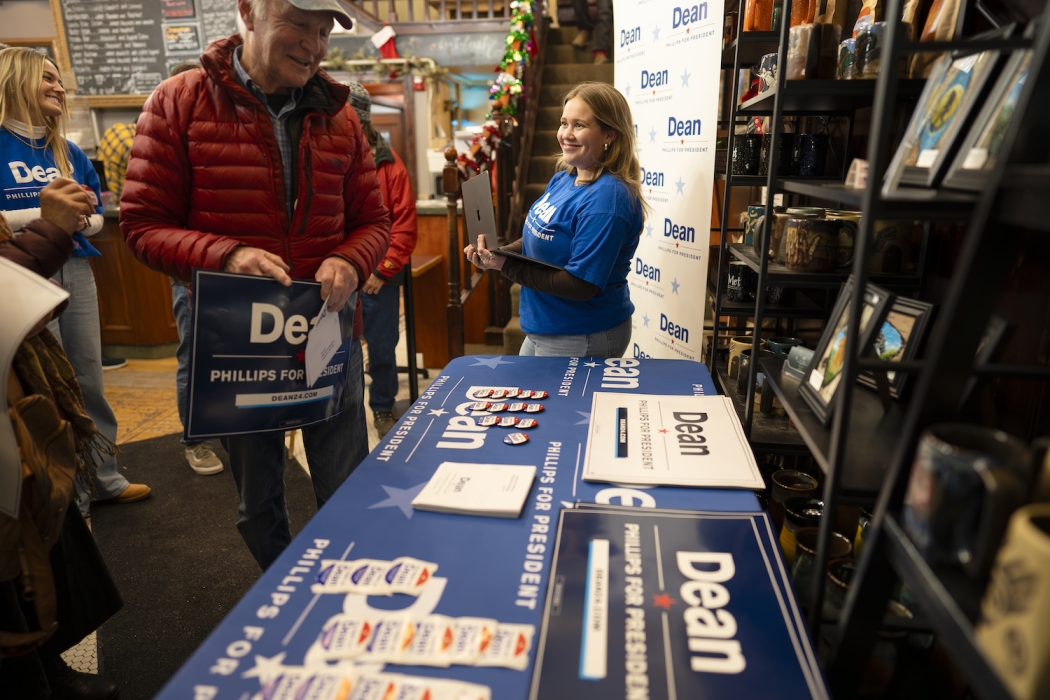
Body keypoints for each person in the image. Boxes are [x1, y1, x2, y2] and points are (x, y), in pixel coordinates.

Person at [121, 0, 391, 570]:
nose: (315, 45)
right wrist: (227, 254)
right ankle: (283, 592)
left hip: (326, 334)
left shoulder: (341, 115)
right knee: (259, 505)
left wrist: (350, 259)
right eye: (299, 24)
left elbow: (375, 220)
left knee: (347, 485)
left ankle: (346, 594)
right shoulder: (179, 101)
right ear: (249, 11)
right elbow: (142, 224)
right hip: (235, 344)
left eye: (324, 32)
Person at [0, 46, 151, 514]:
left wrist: (72, 221)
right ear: (16, 79)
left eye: (59, 80)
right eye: (48, 78)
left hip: (75, 266)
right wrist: (49, 216)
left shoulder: (64, 148)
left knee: (88, 377)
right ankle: (70, 495)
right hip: (20, 270)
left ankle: (102, 476)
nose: (59, 87)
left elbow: (96, 217)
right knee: (50, 385)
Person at [0, 178, 124, 700]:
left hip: (16, 388)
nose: (56, 86)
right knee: (12, 557)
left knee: (32, 548)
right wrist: (49, 229)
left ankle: (50, 673)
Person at [465, 81, 646, 358]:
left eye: (579, 125)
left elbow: (580, 285)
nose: (566, 134)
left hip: (582, 332)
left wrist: (506, 267)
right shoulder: (565, 178)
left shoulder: (607, 199)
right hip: (544, 327)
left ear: (609, 134)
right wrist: (495, 253)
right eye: (564, 123)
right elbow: (535, 238)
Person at [345, 81, 418, 439]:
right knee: (336, 353)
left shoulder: (390, 165)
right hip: (335, 280)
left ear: (362, 121)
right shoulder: (321, 157)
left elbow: (403, 227)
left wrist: (381, 270)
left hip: (377, 281)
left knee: (383, 348)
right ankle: (343, 414)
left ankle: (383, 409)